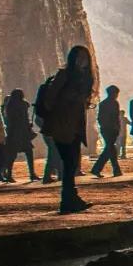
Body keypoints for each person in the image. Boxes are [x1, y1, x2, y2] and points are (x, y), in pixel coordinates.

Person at [39, 44, 95, 213]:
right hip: (62, 126)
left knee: (71, 164)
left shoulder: (84, 78)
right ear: (72, 59)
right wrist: (67, 105)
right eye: (79, 57)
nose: (82, 61)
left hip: (75, 126)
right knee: (69, 163)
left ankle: (71, 199)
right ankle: (68, 200)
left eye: (85, 58)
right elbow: (50, 99)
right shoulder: (65, 75)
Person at [0, 88, 37, 182]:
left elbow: (11, 121)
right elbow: (24, 119)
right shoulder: (22, 105)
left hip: (13, 134)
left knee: (11, 156)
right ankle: (32, 174)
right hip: (22, 134)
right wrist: (29, 126)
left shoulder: (9, 106)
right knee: (29, 154)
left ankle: (8, 175)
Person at [92, 85, 123, 178]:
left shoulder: (103, 104)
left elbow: (100, 118)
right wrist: (117, 127)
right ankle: (114, 169)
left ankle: (101, 169)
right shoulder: (114, 103)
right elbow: (116, 118)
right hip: (111, 129)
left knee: (110, 149)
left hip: (106, 129)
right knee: (110, 148)